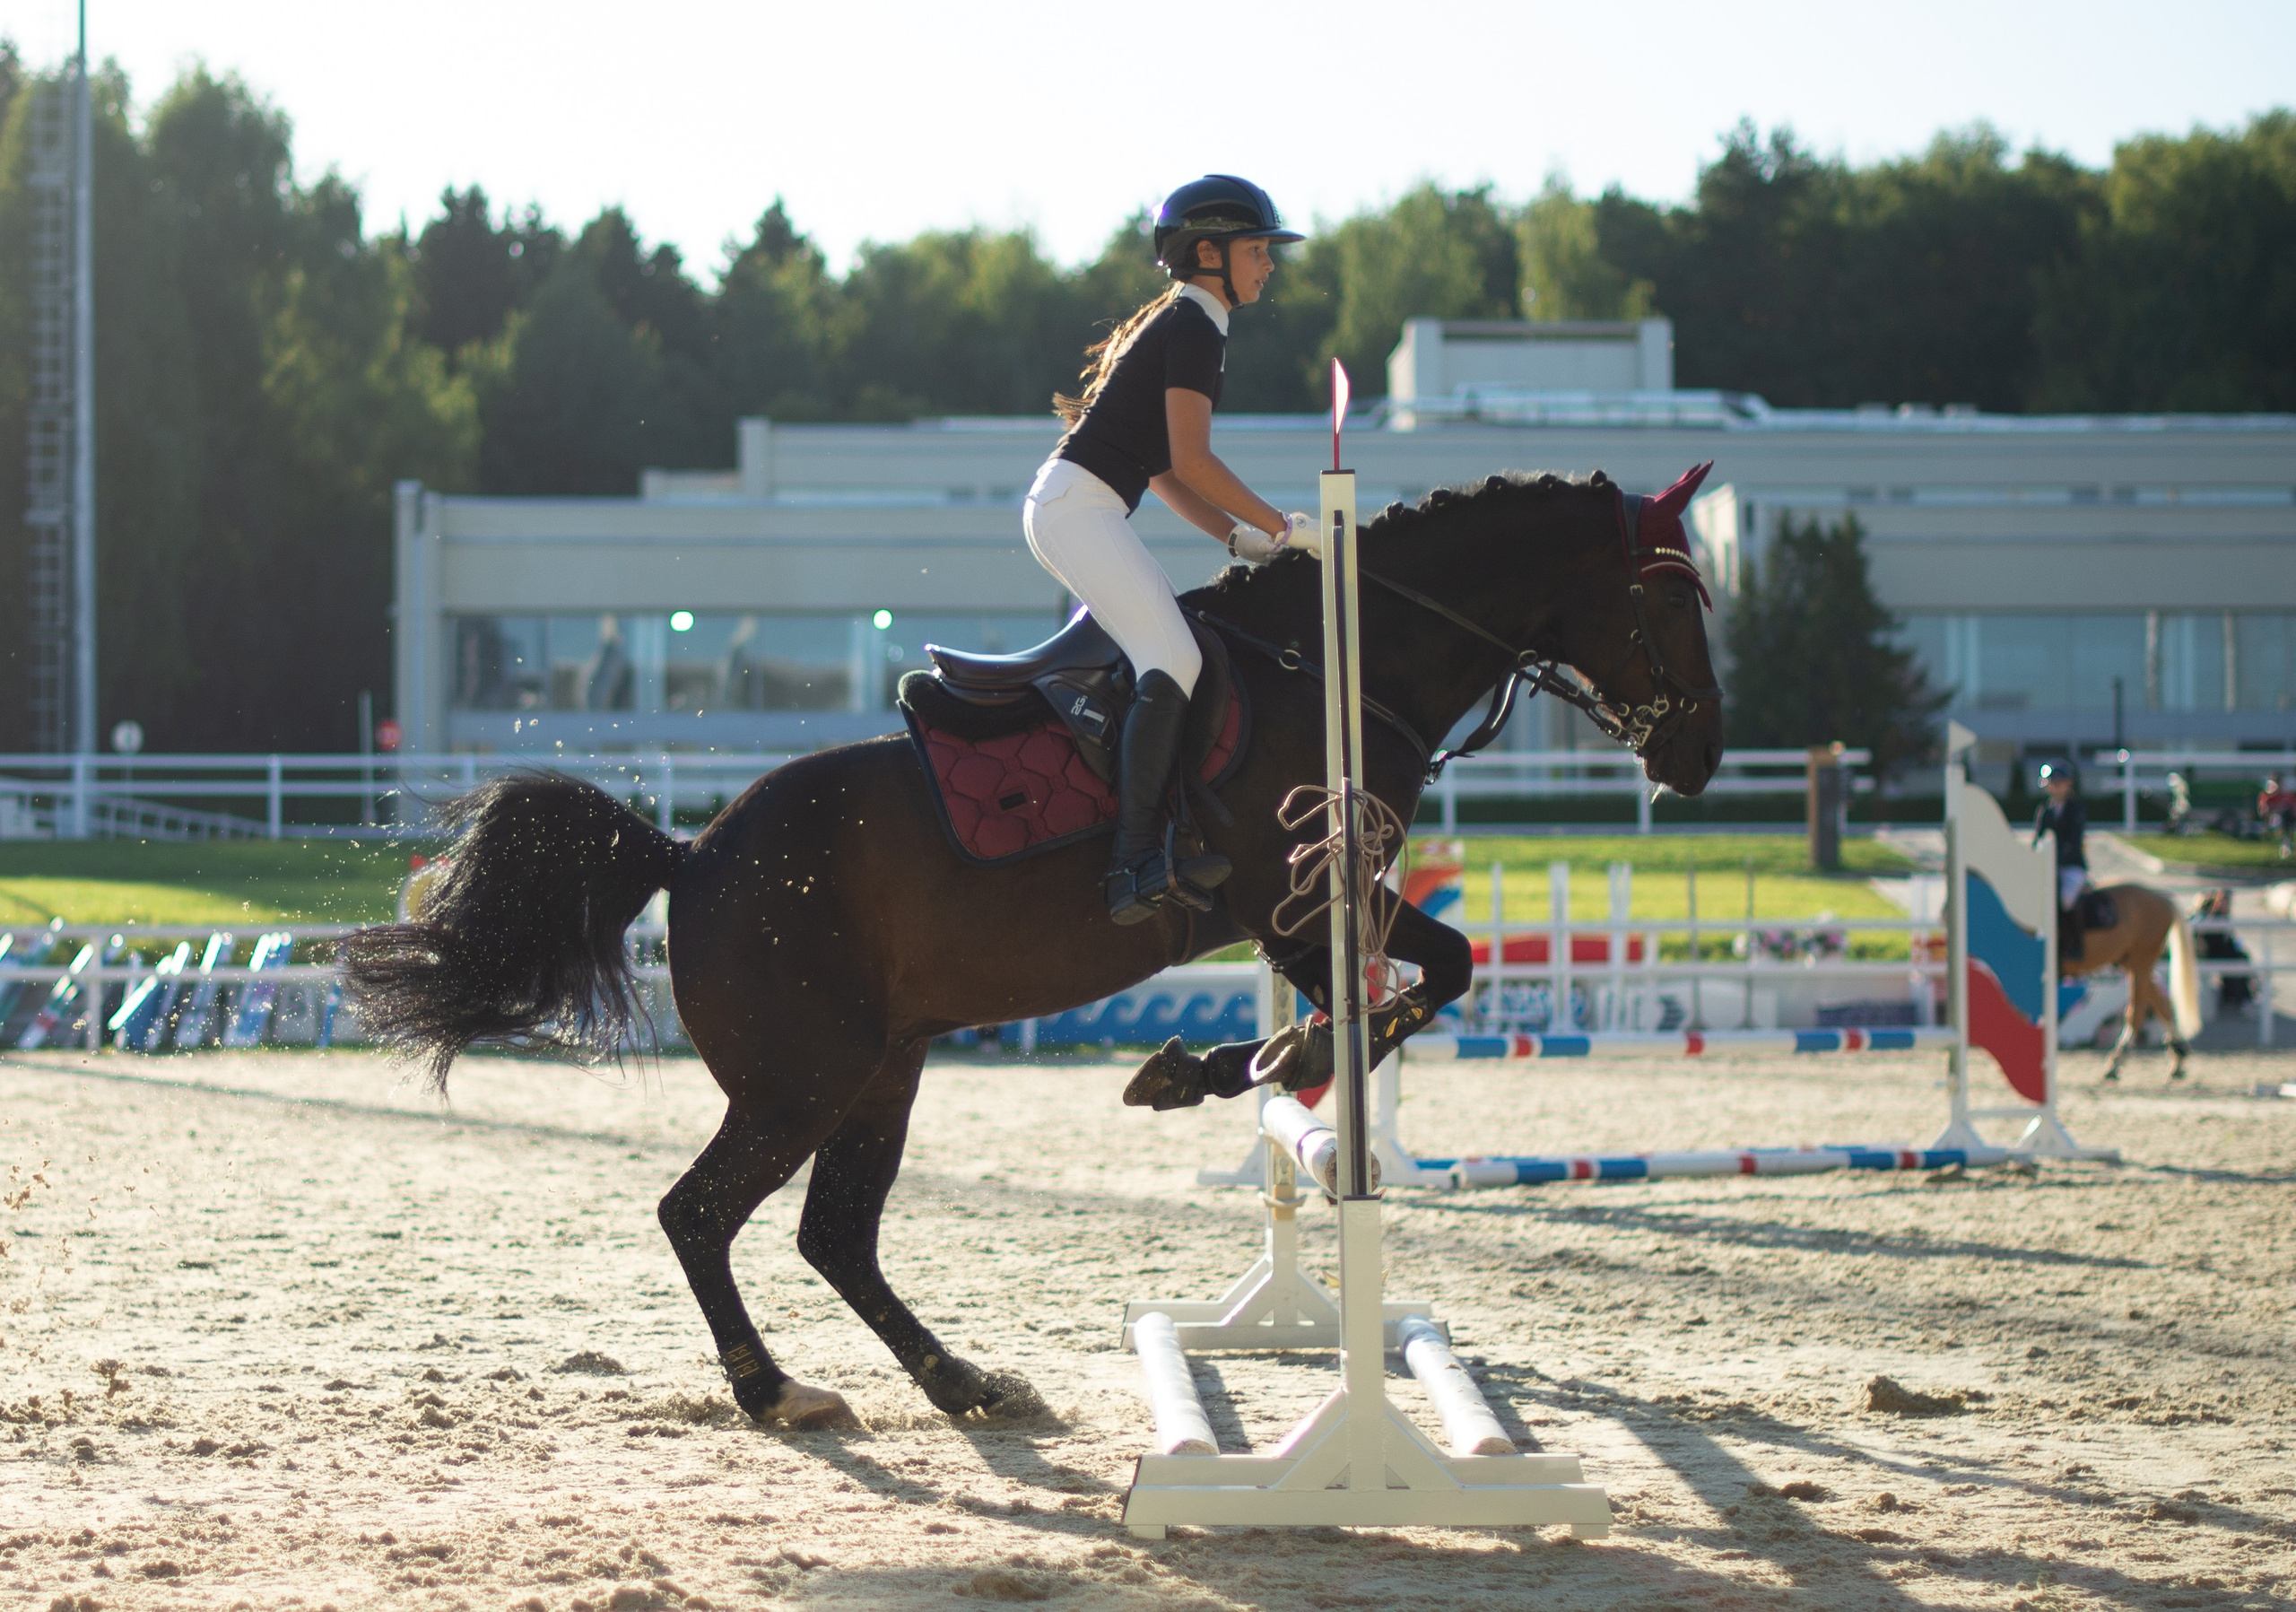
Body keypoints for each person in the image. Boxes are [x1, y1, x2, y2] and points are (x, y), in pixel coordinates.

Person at [1028, 175, 1318, 925]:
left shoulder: (1196, 322)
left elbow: (1163, 469)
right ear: (1209, 253)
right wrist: (1285, 526)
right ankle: (1133, 862)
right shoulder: (1194, 326)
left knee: (1178, 652)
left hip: (1075, 507)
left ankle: (1153, 837)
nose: (1270, 263)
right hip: (1075, 509)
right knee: (1177, 658)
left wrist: (1235, 537)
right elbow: (1194, 462)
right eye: (1259, 249)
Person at [2034, 761, 2090, 959]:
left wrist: (2055, 860)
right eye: (2052, 783)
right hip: (2048, 868)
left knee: (2065, 900)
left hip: (2070, 867)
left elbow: (2073, 842)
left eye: (2059, 782)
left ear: (2068, 784)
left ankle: (2075, 944)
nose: (2055, 787)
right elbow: (2038, 840)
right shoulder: (2045, 811)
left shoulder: (2075, 809)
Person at [2258, 775, 2296, 857]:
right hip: (2274, 820)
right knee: (2278, 819)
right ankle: (2286, 844)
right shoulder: (2267, 797)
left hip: (2288, 820)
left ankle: (2286, 844)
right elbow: (2263, 812)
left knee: (2286, 815)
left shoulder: (2288, 796)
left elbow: (2294, 810)